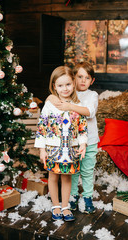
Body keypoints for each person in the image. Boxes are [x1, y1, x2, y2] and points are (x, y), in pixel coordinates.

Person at [34, 66, 88, 221]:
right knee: (53, 176)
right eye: (60, 85)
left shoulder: (76, 105)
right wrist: (42, 149)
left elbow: (82, 127)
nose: (65, 89)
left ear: (74, 84)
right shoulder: (50, 104)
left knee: (66, 178)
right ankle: (55, 205)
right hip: (52, 148)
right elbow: (42, 126)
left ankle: (65, 206)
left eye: (68, 84)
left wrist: (82, 144)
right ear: (54, 87)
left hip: (70, 149)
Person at [47, 62, 99, 213]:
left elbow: (89, 112)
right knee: (73, 171)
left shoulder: (92, 95)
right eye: (79, 77)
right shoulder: (68, 93)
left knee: (87, 171)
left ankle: (88, 197)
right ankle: (73, 196)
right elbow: (51, 99)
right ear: (73, 78)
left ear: (92, 81)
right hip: (72, 142)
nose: (83, 81)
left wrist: (69, 106)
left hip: (90, 141)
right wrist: (50, 97)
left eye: (87, 78)